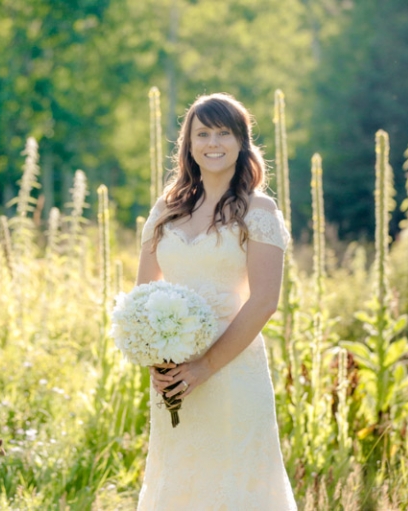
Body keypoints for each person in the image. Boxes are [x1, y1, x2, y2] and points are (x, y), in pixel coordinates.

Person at [135, 92, 297, 510]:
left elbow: (264, 301)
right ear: (188, 144)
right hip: (173, 375)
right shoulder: (166, 208)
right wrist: (159, 361)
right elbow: (143, 295)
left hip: (231, 369)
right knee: (180, 474)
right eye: (202, 133)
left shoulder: (259, 209)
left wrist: (204, 366)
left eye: (223, 133)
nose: (212, 143)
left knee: (234, 479)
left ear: (242, 141)